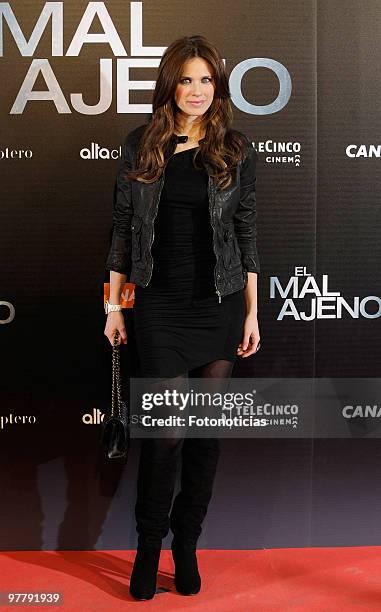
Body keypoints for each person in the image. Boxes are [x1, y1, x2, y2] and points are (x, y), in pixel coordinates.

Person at [103, 34, 261, 601]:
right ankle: (149, 547)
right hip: (160, 309)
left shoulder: (233, 148)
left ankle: (187, 544)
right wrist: (112, 307)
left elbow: (246, 237)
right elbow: (122, 232)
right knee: (167, 437)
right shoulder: (140, 145)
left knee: (205, 438)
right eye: (187, 79)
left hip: (217, 307)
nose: (197, 91)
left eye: (207, 81)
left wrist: (251, 315)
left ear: (216, 89)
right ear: (169, 84)